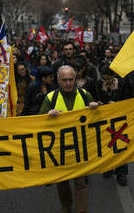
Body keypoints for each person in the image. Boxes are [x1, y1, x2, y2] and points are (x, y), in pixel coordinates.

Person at [39, 65, 100, 213]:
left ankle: (82, 210)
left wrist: (96, 109)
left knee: (81, 183)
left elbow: (98, 122)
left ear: (76, 79)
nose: (68, 83)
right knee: (62, 183)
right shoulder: (50, 98)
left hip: (81, 149)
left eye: (71, 79)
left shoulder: (85, 95)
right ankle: (66, 206)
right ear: (58, 80)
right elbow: (39, 124)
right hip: (59, 150)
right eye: (64, 80)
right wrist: (48, 115)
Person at [95, 65, 130, 186]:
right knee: (106, 145)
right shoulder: (98, 84)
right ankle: (108, 167)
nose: (107, 82)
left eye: (109, 80)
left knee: (120, 146)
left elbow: (127, 100)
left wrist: (117, 105)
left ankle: (122, 173)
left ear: (114, 76)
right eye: (105, 80)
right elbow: (96, 98)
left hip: (120, 119)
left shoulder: (121, 83)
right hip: (104, 120)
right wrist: (103, 103)